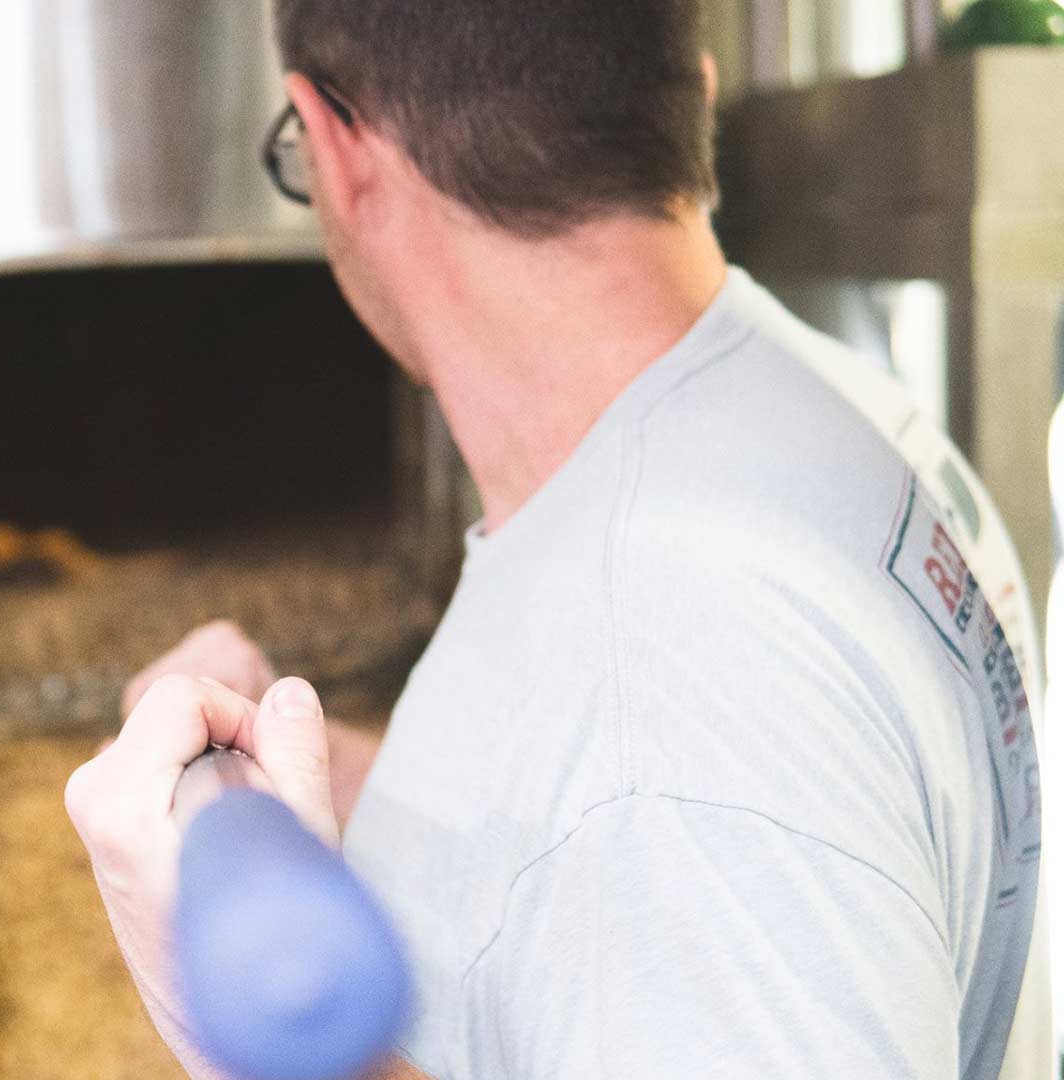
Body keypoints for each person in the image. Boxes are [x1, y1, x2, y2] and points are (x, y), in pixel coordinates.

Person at [62, 1, 1048, 1078]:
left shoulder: (661, 707)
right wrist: (361, 795)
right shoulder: (836, 413)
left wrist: (261, 1044)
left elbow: (661, 798)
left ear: (335, 147)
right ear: (693, 101)